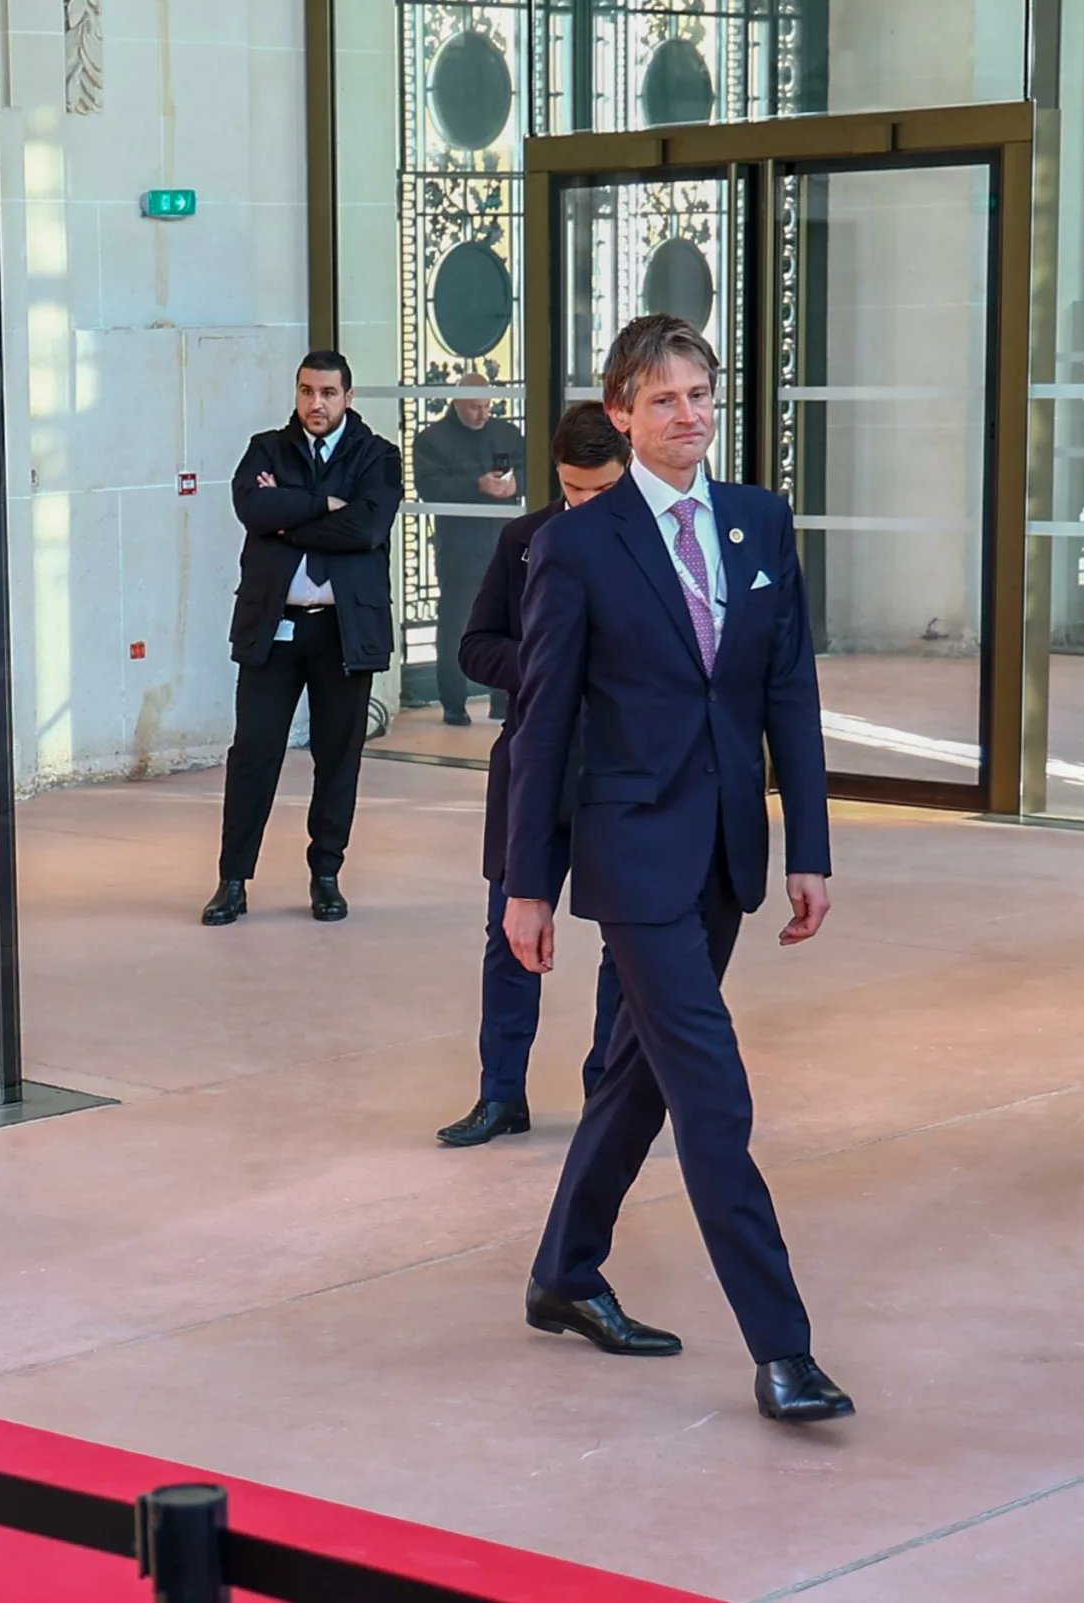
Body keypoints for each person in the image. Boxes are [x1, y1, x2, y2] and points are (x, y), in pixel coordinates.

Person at [503, 314, 853, 1424]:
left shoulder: (757, 521)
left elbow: (785, 690)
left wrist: (809, 846)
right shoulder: (580, 543)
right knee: (711, 1089)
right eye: (663, 401)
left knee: (637, 1075)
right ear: (621, 413)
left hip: (724, 855)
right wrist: (524, 882)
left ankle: (564, 1274)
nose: (689, 416)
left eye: (701, 394)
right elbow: (542, 722)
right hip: (630, 852)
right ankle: (783, 1350)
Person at [433, 403, 630, 1148]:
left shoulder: (655, 545)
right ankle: (500, 1095)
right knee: (510, 932)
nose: (586, 507)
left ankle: (607, 1097)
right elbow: (475, 646)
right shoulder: (522, 541)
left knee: (627, 940)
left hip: (619, 772)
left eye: (603, 491)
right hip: (531, 770)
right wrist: (546, 668)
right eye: (574, 491)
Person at [203, 350, 404, 925]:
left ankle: (326, 875)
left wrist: (287, 516)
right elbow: (251, 506)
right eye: (307, 391)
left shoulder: (378, 456)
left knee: (337, 758)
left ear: (349, 397)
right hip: (275, 628)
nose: (317, 403)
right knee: (254, 754)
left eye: (328, 393)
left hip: (344, 632)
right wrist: (321, 505)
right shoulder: (266, 448)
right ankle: (233, 880)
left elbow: (366, 527)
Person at [412, 371, 525, 726]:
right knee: (455, 624)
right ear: (456, 402)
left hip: (505, 542)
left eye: (487, 406)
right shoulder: (432, 439)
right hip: (460, 547)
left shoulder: (507, 432)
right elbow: (429, 487)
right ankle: (453, 702)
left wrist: (515, 484)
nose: (482, 413)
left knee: (512, 623)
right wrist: (476, 485)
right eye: (475, 407)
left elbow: (532, 466)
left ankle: (503, 701)